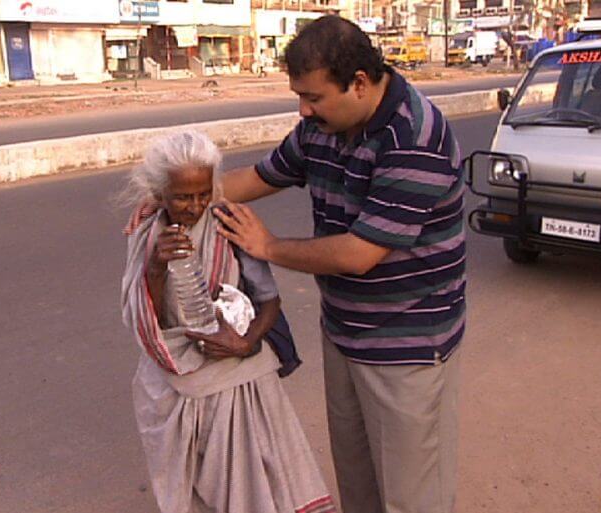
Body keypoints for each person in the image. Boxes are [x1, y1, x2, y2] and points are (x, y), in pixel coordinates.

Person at [207, 15, 466, 513]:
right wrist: (181, 194)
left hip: (406, 347)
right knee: (359, 482)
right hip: (345, 332)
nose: (303, 110)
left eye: (313, 97)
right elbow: (262, 176)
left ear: (360, 83)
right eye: (298, 97)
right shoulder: (320, 129)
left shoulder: (415, 137)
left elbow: (359, 254)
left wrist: (268, 246)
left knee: (412, 497)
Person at [120, 130, 335, 513]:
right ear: (160, 194)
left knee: (246, 485)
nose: (195, 206)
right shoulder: (147, 232)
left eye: (203, 194)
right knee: (192, 485)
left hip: (236, 377)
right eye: (183, 197)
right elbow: (145, 314)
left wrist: (245, 342)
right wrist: (156, 264)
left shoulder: (228, 223)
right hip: (171, 380)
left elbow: (269, 300)